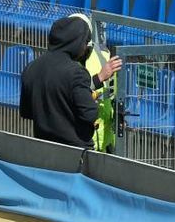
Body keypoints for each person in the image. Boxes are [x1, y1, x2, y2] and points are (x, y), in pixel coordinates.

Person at [19, 14, 122, 150]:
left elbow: (26, 112)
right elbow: (89, 114)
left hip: (43, 146)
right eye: (85, 43)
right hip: (75, 152)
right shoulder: (76, 73)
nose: (85, 48)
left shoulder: (31, 67)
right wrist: (92, 99)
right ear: (76, 43)